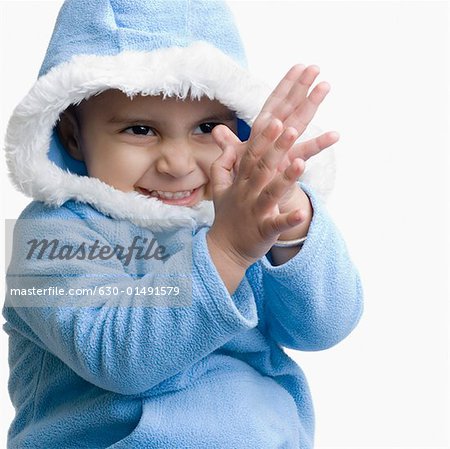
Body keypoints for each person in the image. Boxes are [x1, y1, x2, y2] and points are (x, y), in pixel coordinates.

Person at [2, 0, 363, 448]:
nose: (177, 164)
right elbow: (116, 359)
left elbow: (322, 328)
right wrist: (226, 252)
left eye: (207, 127)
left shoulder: (240, 218)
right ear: (71, 134)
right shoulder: (51, 234)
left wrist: (288, 220)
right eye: (140, 130)